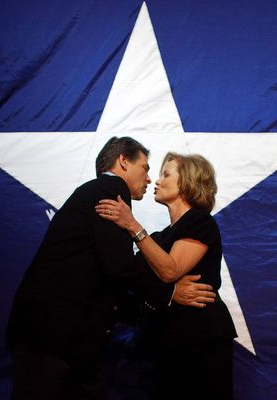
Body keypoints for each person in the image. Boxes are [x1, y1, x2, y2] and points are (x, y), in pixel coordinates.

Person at [6, 137, 216, 400]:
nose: (150, 179)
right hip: (52, 338)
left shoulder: (103, 193)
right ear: (123, 162)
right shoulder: (110, 191)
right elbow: (120, 266)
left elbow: (113, 272)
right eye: (147, 168)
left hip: (67, 339)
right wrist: (170, 294)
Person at [96, 151, 237, 399]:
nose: (156, 181)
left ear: (188, 182)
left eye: (166, 174)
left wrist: (132, 226)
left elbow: (170, 270)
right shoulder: (160, 238)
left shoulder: (200, 222)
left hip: (202, 339)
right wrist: (171, 293)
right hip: (166, 340)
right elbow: (133, 278)